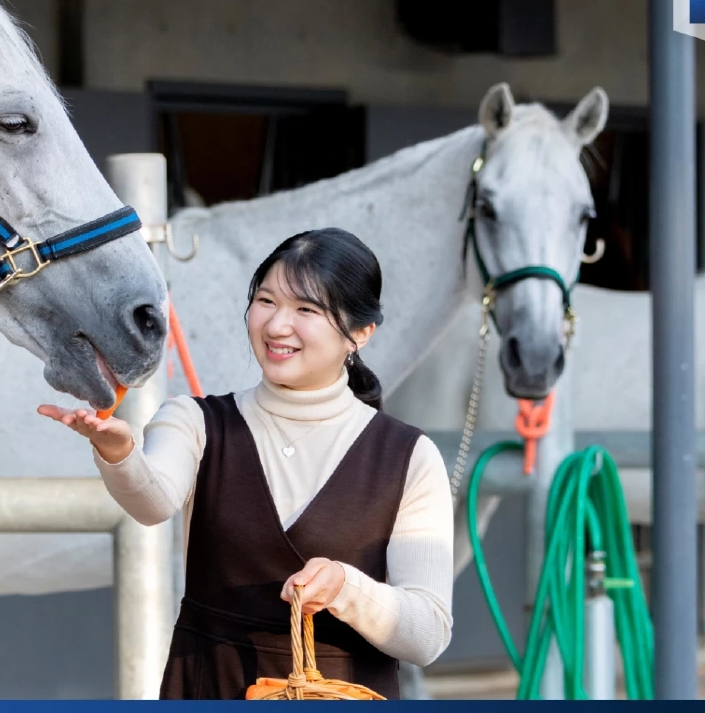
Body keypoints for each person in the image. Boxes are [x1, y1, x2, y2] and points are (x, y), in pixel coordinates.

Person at [38, 227, 454, 700]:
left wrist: (347, 589)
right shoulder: (194, 419)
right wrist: (119, 453)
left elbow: (428, 635)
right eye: (266, 300)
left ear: (359, 334)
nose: (277, 325)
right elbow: (153, 501)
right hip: (208, 684)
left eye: (307, 310)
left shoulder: (408, 457)